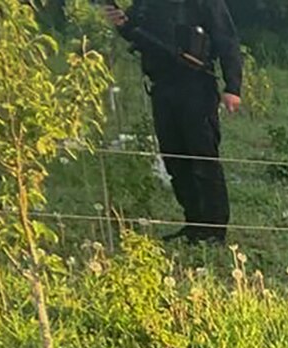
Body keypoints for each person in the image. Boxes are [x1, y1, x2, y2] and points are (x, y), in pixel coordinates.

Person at [104, 0, 243, 244]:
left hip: (196, 85)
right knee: (174, 158)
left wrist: (233, 87)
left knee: (203, 158)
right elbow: (136, 29)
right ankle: (193, 224)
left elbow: (227, 40)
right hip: (162, 86)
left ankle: (214, 231)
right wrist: (122, 24)